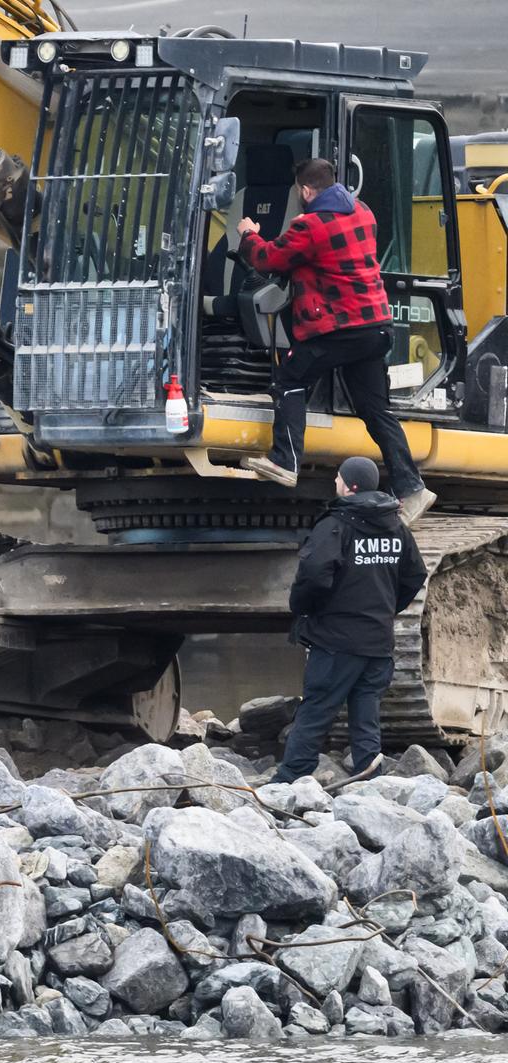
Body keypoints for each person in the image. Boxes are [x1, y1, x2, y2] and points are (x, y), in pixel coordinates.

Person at [236, 157, 437, 526]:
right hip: (376, 327)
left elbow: (269, 258)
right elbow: (333, 259)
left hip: (338, 329)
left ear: (307, 191)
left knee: (291, 378)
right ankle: (412, 489)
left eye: (300, 193)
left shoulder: (311, 225)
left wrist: (249, 233)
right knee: (375, 411)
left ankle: (285, 461)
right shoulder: (363, 212)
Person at [270, 456, 427, 785]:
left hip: (336, 641)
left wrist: (304, 608)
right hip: (377, 641)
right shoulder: (396, 526)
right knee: (365, 711)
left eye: (338, 479)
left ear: (349, 485)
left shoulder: (336, 525)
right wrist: (386, 609)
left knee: (316, 710)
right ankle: (369, 775)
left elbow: (313, 575)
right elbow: (415, 575)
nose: (335, 484)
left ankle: (289, 779)